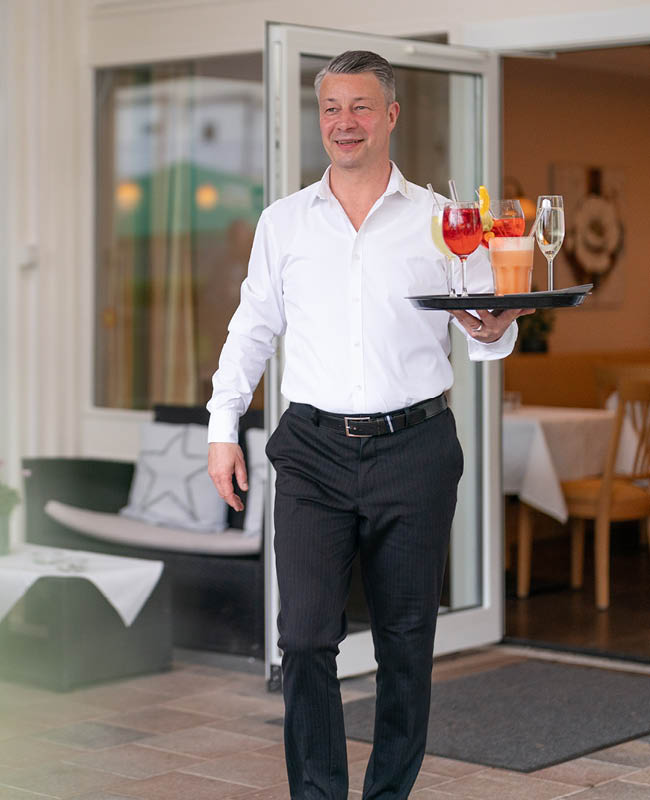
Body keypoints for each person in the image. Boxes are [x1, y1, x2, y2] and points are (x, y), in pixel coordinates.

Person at [207, 50, 533, 800]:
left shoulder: (443, 222)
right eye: (331, 108)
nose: (343, 123)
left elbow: (490, 325)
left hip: (415, 448)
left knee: (407, 640)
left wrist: (493, 330)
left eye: (360, 107)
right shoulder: (283, 222)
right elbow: (252, 328)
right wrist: (224, 425)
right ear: (319, 117)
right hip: (314, 450)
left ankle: (389, 793)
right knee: (306, 637)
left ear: (390, 116)